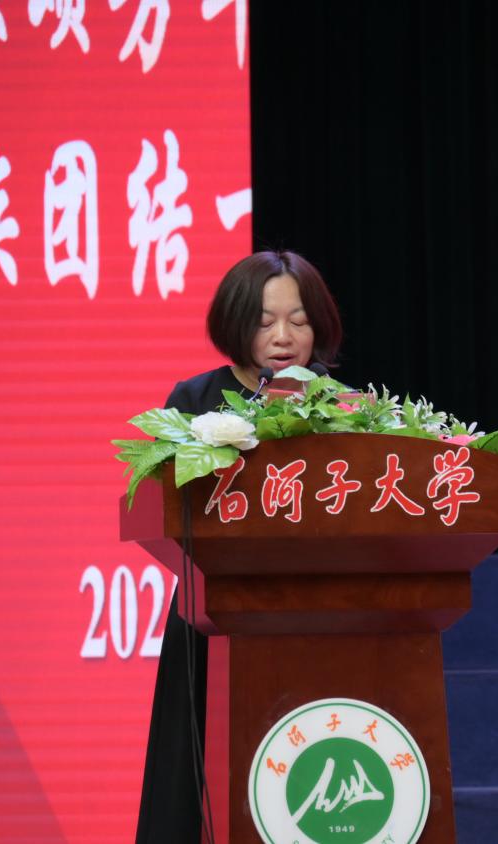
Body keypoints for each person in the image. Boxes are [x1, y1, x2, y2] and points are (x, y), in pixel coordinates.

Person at [134, 250, 343, 844]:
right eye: (265, 321)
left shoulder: (343, 407)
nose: (284, 337)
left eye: (299, 321)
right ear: (235, 322)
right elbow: (160, 503)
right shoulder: (194, 401)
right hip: (213, 616)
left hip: (317, 617)